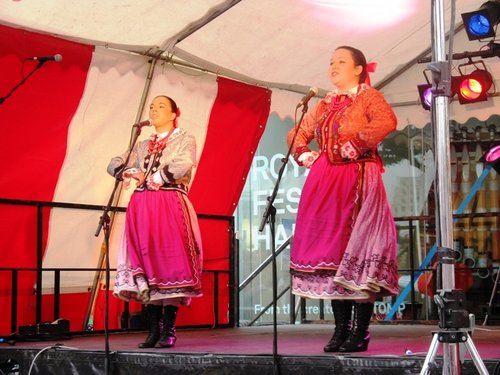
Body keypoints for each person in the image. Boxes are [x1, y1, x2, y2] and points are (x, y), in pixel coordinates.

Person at [287, 46, 399, 353]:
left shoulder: (367, 97)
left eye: (341, 61)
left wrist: (357, 143)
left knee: (357, 248)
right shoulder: (325, 103)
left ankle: (360, 331)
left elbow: (386, 121)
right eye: (331, 62)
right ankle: (340, 331)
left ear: (359, 69)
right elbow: (299, 132)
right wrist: (303, 153)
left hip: (358, 176)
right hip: (326, 181)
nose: (333, 66)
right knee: (333, 252)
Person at [107, 95, 203, 349]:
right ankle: (153, 329)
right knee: (147, 264)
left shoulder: (185, 138)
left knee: (168, 265)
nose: (154, 110)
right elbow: (114, 162)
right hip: (142, 206)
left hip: (169, 203)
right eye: (152, 106)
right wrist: (129, 171)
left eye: (161, 106)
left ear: (173, 114)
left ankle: (168, 330)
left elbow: (184, 162)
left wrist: (159, 176)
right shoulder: (141, 144)